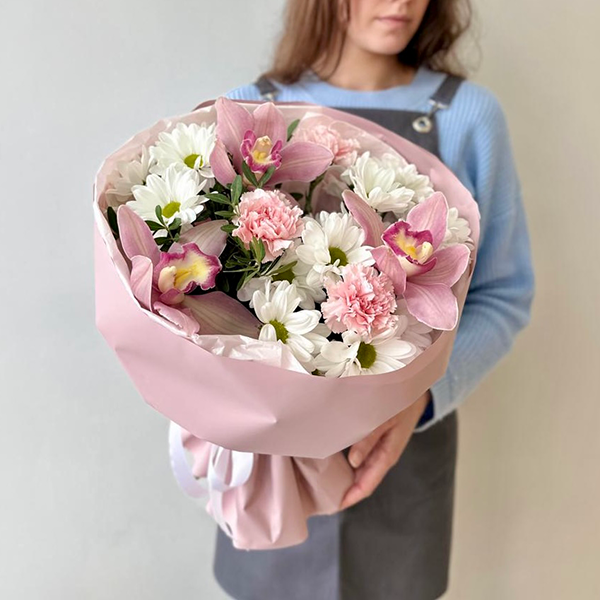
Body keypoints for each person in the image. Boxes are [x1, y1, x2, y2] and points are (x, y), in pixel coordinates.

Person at [210, 1, 535, 598]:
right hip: (273, 462)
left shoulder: (465, 116)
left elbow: (501, 295)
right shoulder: (250, 113)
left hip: (406, 455)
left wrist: (421, 399)